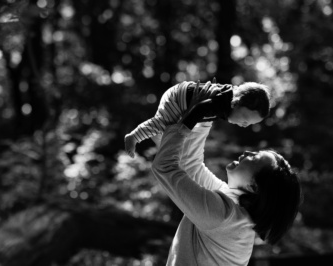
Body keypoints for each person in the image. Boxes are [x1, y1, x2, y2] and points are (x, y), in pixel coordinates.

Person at [150, 87, 302, 266]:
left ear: (255, 186)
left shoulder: (224, 217)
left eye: (254, 158)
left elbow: (164, 167)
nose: (246, 152)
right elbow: (190, 165)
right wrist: (205, 115)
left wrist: (188, 122)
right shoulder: (232, 208)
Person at [125, 79, 270, 157]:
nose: (244, 125)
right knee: (163, 123)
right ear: (235, 103)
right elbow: (201, 108)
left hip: (182, 97)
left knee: (165, 133)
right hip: (177, 98)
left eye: (248, 124)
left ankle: (151, 137)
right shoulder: (221, 102)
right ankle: (134, 137)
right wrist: (184, 130)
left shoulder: (229, 101)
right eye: (245, 119)